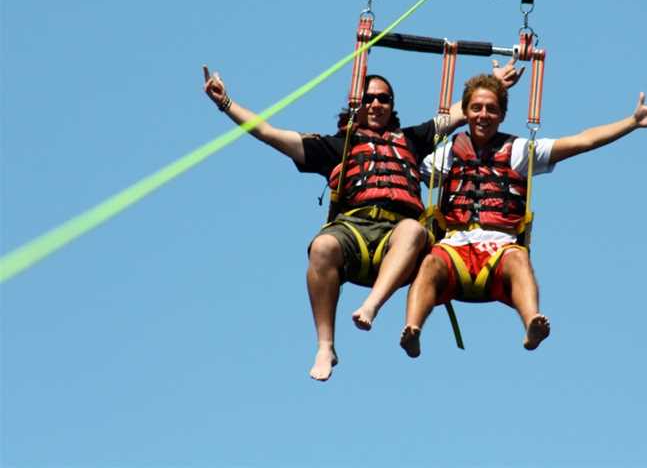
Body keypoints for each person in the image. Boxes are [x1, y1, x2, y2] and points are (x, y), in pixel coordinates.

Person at [202, 62, 521, 381]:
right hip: (353, 230)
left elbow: (464, 112)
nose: (376, 104)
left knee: (412, 230)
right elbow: (269, 133)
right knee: (323, 246)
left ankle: (372, 305)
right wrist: (225, 103)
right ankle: (325, 346)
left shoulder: (412, 139)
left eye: (383, 99)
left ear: (392, 106)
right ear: (357, 105)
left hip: (397, 238)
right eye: (368, 98)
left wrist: (495, 83)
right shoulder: (336, 148)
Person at [400, 74, 647, 358]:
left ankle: (532, 322)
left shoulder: (520, 152)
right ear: (466, 112)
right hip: (454, 251)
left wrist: (632, 122)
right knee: (430, 261)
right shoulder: (445, 154)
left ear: (503, 115)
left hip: (500, 252)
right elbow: (402, 158)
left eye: (492, 109)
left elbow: (582, 141)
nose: (484, 115)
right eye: (477, 108)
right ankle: (412, 329)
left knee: (519, 257)